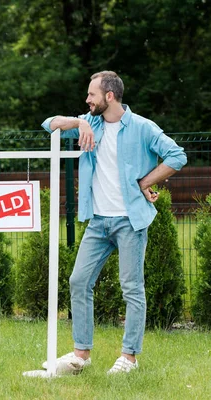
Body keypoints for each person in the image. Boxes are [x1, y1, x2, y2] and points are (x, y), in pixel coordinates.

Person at [41, 71, 187, 375]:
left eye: (91, 95)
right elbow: (49, 124)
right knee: (78, 281)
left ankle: (129, 357)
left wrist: (145, 181)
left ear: (109, 96)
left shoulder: (142, 127)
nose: (87, 100)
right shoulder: (91, 123)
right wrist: (79, 122)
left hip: (130, 221)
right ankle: (81, 354)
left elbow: (177, 155)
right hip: (98, 222)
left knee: (132, 288)